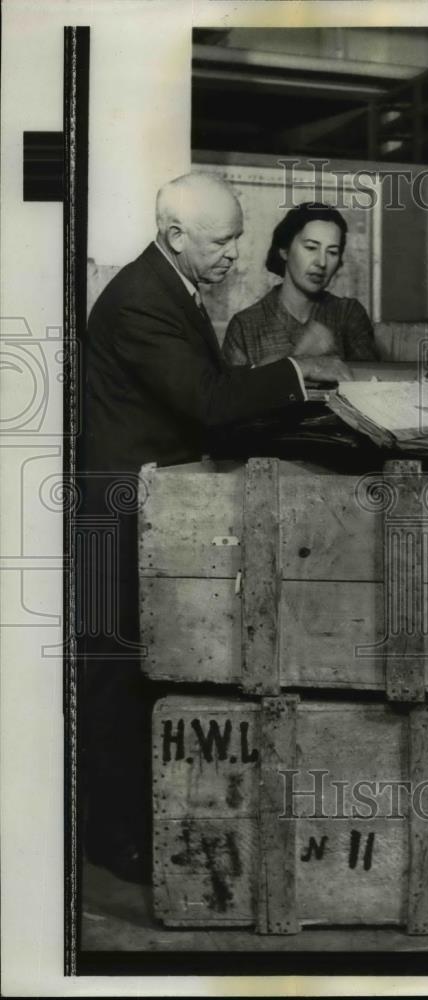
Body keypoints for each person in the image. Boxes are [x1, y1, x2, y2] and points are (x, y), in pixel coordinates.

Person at [80, 172, 350, 882]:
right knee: (115, 673)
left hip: (150, 505)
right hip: (118, 513)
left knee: (141, 668)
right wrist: (298, 371)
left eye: (238, 236)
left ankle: (127, 823)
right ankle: (111, 840)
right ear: (176, 237)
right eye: (223, 239)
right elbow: (205, 401)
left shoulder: (173, 288)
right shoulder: (143, 300)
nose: (236, 251)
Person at [222, 202, 378, 368]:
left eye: (332, 252)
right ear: (284, 250)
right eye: (311, 247)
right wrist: (301, 356)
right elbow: (234, 391)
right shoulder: (245, 326)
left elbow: (372, 386)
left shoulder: (348, 314)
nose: (322, 262)